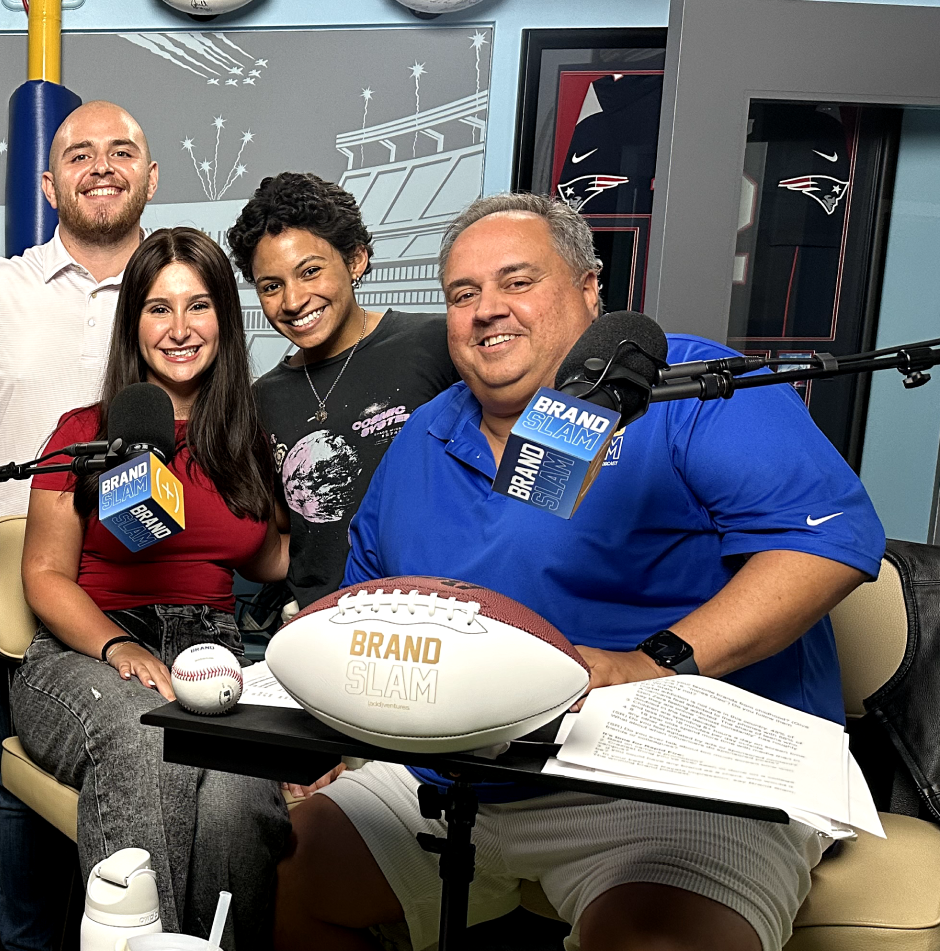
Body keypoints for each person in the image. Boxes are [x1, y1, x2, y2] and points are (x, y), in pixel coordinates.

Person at [280, 193, 886, 951]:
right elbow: (362, 605)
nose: (486, 310)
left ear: (591, 288)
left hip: (677, 786)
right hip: (457, 775)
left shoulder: (694, 387)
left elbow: (828, 541)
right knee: (282, 869)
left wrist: (654, 662)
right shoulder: (424, 436)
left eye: (517, 281)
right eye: (462, 294)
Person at [13, 227, 292, 949]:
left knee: (238, 796)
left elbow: (267, 558)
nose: (179, 328)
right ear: (132, 322)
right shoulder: (85, 432)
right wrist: (113, 647)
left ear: (224, 322)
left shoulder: (246, 438)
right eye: (158, 308)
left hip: (212, 653)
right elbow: (42, 576)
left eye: (198, 306)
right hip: (88, 650)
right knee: (144, 743)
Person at [0, 99, 161, 950]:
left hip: (149, 570)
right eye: (79, 153)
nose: (100, 166)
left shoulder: (178, 284)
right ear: (49, 182)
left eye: (121, 151)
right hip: (20, 579)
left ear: (152, 175)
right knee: (20, 780)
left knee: (151, 764)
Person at [225, 171, 459, 614]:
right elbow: (284, 528)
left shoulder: (436, 344)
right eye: (271, 286)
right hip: (322, 627)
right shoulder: (261, 399)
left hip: (433, 614)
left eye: (310, 271)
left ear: (355, 260)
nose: (293, 300)